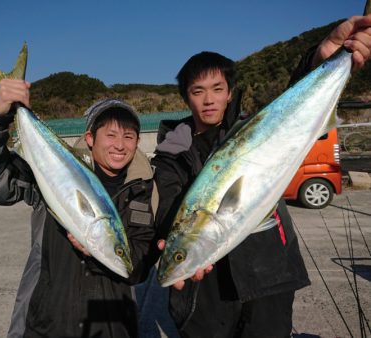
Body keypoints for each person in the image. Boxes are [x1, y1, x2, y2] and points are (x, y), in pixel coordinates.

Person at [151, 14, 371, 338]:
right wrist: (173, 242)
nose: (209, 99)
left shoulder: (252, 127)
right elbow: (171, 206)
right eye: (198, 91)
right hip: (209, 293)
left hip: (270, 273)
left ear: (229, 93)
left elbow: (290, 105)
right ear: (186, 97)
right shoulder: (170, 154)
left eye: (217, 88)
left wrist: (320, 60)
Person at [0, 94, 158, 337]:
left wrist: (93, 251)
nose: (120, 145)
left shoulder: (145, 191)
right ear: (90, 138)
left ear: (137, 142)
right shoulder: (52, 172)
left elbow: (137, 267)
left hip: (112, 329)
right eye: (111, 135)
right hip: (44, 326)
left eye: (129, 136)